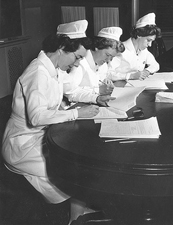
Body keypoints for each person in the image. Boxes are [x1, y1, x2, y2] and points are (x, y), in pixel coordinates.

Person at [1, 20, 100, 224]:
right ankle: (71, 214)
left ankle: (74, 213)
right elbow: (37, 117)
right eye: (77, 57)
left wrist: (96, 99)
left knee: (73, 167)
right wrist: (76, 114)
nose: (77, 63)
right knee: (66, 173)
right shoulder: (37, 73)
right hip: (21, 144)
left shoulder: (55, 70)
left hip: (40, 137)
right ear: (62, 47)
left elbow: (71, 92)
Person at [63, 27, 125, 106]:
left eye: (112, 57)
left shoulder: (103, 64)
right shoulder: (80, 62)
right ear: (97, 47)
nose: (108, 60)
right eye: (107, 55)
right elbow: (69, 92)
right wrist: (98, 90)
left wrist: (106, 82)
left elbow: (99, 79)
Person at [108, 12, 161, 81]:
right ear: (139, 35)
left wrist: (147, 71)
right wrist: (130, 76)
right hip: (120, 88)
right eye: (148, 40)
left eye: (151, 41)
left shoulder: (143, 50)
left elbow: (155, 65)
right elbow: (108, 74)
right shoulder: (120, 49)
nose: (150, 44)